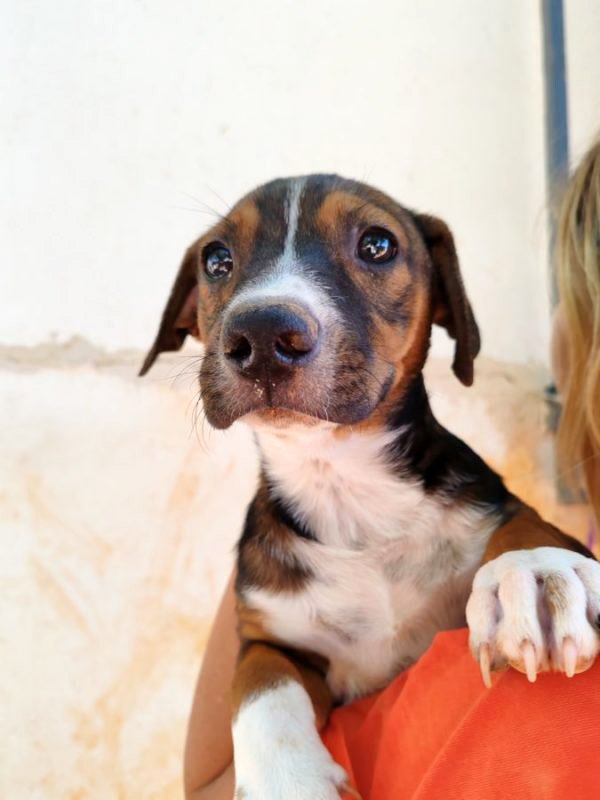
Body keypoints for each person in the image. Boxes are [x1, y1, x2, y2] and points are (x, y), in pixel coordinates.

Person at [184, 137, 600, 800]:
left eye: (375, 248)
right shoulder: (264, 570)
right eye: (221, 262)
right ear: (194, 318)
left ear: (443, 305)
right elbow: (215, 771)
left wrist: (529, 552)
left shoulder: (502, 529)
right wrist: (270, 729)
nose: (268, 318)